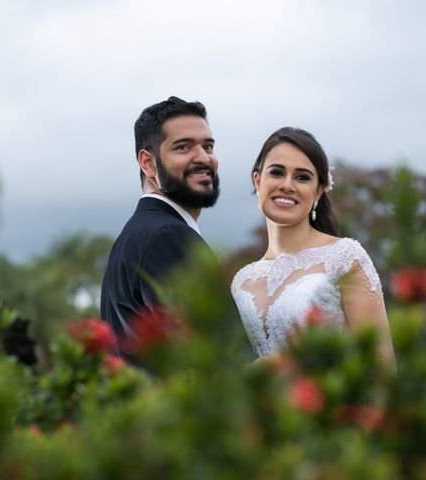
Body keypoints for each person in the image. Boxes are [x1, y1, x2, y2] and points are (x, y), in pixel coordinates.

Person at [231, 127, 395, 365]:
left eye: (302, 177)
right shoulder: (242, 281)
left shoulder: (345, 258)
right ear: (258, 180)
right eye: (277, 172)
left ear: (319, 190)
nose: (287, 185)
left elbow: (381, 367)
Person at [100, 96, 220, 358]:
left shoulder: (137, 234)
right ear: (148, 162)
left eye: (208, 147)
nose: (203, 158)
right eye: (183, 147)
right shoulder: (168, 237)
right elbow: (209, 355)